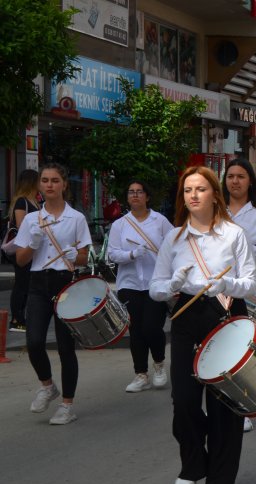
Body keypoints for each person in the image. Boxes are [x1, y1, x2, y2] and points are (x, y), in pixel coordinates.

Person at [149, 166, 256, 484]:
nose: (193, 195)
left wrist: (227, 283)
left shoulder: (233, 234)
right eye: (187, 190)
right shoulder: (174, 237)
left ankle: (221, 477)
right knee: (183, 399)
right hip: (186, 316)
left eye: (200, 189)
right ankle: (193, 463)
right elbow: (155, 287)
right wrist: (172, 284)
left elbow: (251, 285)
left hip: (226, 314)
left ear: (214, 194)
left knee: (225, 404)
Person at [14, 163, 91, 425]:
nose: (49, 185)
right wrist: (33, 243)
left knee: (65, 347)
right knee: (34, 341)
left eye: (55, 180)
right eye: (45, 180)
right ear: (39, 186)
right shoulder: (31, 219)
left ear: (64, 184)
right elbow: (22, 260)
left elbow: (84, 256)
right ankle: (47, 385)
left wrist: (75, 255)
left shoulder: (76, 218)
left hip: (66, 285)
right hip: (38, 283)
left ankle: (67, 404)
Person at [224, 159, 256, 432]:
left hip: (249, 283)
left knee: (244, 346)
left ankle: (244, 405)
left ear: (250, 182)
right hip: (217, 286)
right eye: (230, 176)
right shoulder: (214, 209)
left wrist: (242, 252)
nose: (235, 181)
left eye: (241, 176)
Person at [108, 180, 174, 393]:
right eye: (131, 192)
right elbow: (112, 253)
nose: (135, 195)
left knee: (152, 327)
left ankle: (159, 364)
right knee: (135, 330)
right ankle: (140, 374)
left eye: (139, 192)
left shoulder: (160, 221)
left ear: (147, 196)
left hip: (156, 282)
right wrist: (131, 254)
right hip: (130, 284)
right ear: (127, 197)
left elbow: (175, 245)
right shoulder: (120, 224)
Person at [7, 169, 40, 332]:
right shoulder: (22, 202)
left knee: (27, 283)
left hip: (31, 248)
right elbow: (21, 226)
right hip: (22, 248)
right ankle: (16, 319)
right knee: (22, 283)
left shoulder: (34, 201)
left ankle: (22, 317)